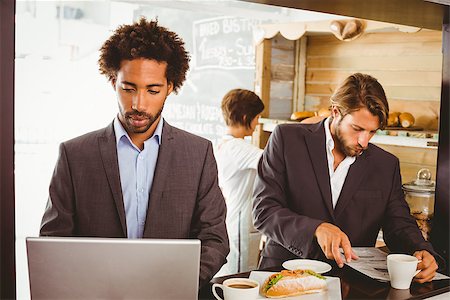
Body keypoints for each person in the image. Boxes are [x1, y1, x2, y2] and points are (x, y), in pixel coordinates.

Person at [39, 18, 229, 288]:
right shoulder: (75, 155)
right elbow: (53, 243)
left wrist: (174, 284)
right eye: (128, 89)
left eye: (153, 90)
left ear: (171, 87)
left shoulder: (198, 154)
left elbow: (215, 239)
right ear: (112, 80)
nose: (139, 104)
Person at [253, 73, 440, 283]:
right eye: (357, 129)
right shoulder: (286, 139)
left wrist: (420, 249)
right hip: (282, 275)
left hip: (351, 284)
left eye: (372, 132)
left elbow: (399, 223)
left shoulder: (386, 165)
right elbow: (264, 210)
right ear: (336, 112)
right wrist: (316, 228)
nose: (364, 142)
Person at [214, 89, 265, 276]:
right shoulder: (238, 148)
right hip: (239, 226)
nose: (258, 123)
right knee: (239, 279)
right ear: (246, 117)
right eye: (257, 117)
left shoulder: (228, 145)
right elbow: (276, 159)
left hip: (237, 221)